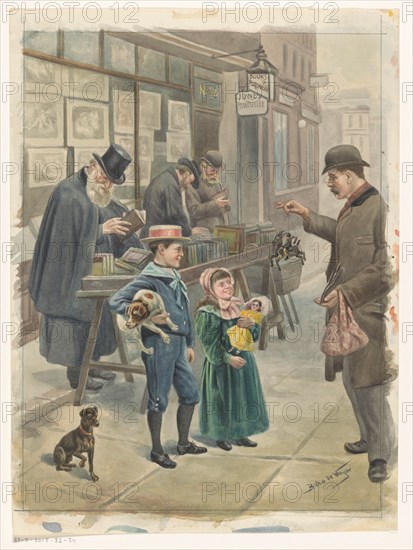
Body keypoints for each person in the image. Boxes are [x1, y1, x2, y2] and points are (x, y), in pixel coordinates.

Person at [276, 144, 396, 483]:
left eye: (332, 177)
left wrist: (345, 291)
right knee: (349, 378)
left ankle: (380, 456)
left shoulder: (379, 208)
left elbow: (388, 268)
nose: (330, 183)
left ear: (349, 174)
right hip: (345, 310)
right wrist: (306, 215)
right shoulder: (353, 206)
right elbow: (342, 236)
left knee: (369, 382)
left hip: (367, 311)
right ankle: (368, 437)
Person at [29, 143, 141, 391]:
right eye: (104, 177)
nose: (107, 185)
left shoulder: (94, 189)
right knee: (78, 317)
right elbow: (66, 243)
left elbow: (106, 209)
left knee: (100, 315)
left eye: (111, 181)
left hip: (90, 268)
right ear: (92, 167)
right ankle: (76, 374)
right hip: (65, 277)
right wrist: (103, 230)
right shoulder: (68, 194)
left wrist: (127, 219)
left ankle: (92, 363)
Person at [109, 225, 207, 469]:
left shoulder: (174, 277)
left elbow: (185, 313)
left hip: (178, 345)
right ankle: (156, 450)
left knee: (191, 394)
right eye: (177, 249)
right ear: (160, 249)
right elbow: (116, 300)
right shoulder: (148, 279)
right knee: (158, 398)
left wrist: (189, 342)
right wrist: (145, 318)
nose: (181, 254)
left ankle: (183, 443)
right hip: (157, 344)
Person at [195, 268, 269, 451]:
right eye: (221, 284)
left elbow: (253, 336)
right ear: (210, 289)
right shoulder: (207, 313)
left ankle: (240, 432)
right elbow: (209, 344)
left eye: (229, 282)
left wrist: (251, 325)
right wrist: (227, 358)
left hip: (243, 361)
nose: (227, 286)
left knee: (241, 397)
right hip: (221, 364)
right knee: (221, 397)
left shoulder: (239, 307)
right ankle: (220, 435)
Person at [139, 158, 199, 239]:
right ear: (185, 174)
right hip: (156, 237)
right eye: (190, 181)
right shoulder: (171, 185)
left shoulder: (166, 178)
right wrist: (189, 231)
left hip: (150, 233)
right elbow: (176, 215)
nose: (189, 186)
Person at [185, 150, 231, 232]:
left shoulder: (217, 184)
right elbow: (194, 211)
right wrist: (215, 204)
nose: (215, 174)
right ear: (203, 167)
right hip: (204, 235)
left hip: (222, 232)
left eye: (217, 171)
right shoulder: (193, 186)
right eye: (212, 170)